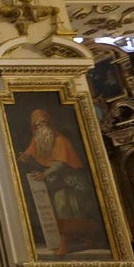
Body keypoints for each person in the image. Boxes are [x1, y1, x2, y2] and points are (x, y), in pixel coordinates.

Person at [18, 108, 98, 254]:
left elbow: (60, 163)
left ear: (49, 124)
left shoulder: (60, 140)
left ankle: (69, 241)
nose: (41, 126)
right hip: (55, 181)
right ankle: (65, 240)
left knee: (64, 206)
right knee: (56, 208)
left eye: (44, 123)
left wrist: (45, 174)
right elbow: (30, 151)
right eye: (38, 124)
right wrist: (24, 156)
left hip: (71, 181)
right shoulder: (38, 139)